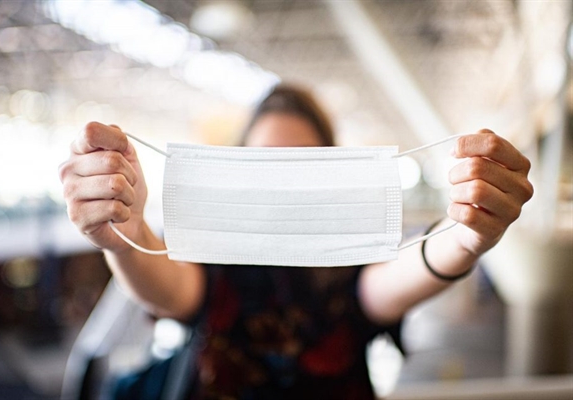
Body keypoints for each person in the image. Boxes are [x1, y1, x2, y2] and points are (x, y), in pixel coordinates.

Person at [58, 84, 533, 399]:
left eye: (303, 163)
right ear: (238, 168)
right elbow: (166, 283)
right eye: (266, 163)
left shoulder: (351, 257)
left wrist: (468, 234)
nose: (284, 181)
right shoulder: (212, 252)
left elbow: (407, 272)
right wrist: (122, 235)